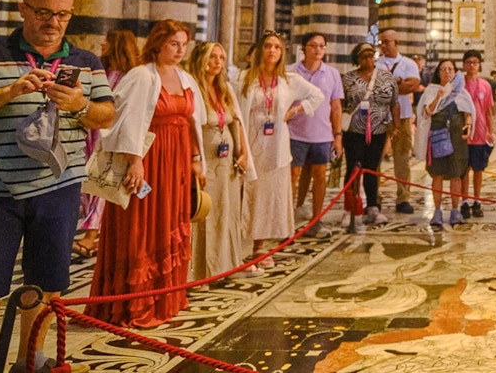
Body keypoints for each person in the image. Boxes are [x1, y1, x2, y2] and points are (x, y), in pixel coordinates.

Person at [0, 0, 115, 373]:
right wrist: (8, 92)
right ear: (23, 9)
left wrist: (79, 104)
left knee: (47, 277)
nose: (53, 22)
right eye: (43, 12)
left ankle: (31, 357)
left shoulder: (86, 61)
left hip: (59, 187)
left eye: (62, 14)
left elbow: (106, 115)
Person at [89, 20, 206, 327]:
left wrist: (196, 159)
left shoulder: (184, 77)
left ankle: (167, 297)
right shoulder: (141, 75)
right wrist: (135, 160)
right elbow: (126, 120)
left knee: (170, 220)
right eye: (173, 44)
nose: (180, 50)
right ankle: (135, 304)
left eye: (183, 44)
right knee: (142, 225)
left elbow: (193, 122)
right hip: (149, 159)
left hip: (177, 161)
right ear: (158, 44)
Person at [236, 32, 324, 263]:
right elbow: (234, 108)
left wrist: (293, 111)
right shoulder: (244, 78)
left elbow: (317, 95)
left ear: (282, 52)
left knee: (266, 197)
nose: (272, 51)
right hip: (249, 144)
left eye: (277, 47)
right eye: (267, 46)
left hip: (275, 147)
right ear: (260, 50)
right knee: (245, 194)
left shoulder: (289, 80)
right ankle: (235, 245)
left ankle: (259, 247)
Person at [186, 41, 258, 280]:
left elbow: (236, 121)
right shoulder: (193, 87)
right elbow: (190, 126)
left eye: (220, 57)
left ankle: (228, 264)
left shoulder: (224, 87)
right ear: (200, 59)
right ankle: (202, 271)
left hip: (226, 161)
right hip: (205, 156)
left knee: (227, 211)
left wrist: (244, 153)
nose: (217, 62)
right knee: (205, 211)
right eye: (212, 57)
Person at [73, 29, 139, 260]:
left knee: (104, 183)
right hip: (90, 135)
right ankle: (93, 233)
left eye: (108, 41)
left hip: (111, 138)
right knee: (89, 180)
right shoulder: (101, 71)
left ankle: (91, 237)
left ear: (117, 45)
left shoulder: (128, 77)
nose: (102, 44)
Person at [288, 32, 343, 238]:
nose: (318, 49)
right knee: (292, 176)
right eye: (313, 45)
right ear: (304, 48)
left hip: (322, 134)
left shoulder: (332, 74)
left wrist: (337, 135)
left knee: (320, 176)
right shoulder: (291, 72)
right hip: (295, 132)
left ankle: (316, 219)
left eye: (322, 45)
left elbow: (335, 106)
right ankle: (288, 221)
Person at [341, 42, 399, 226]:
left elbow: (394, 102)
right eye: (364, 56)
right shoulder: (349, 78)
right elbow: (340, 102)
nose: (368, 59)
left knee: (372, 168)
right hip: (354, 131)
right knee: (353, 168)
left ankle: (373, 207)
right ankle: (350, 208)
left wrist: (395, 125)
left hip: (378, 130)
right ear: (357, 59)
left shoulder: (385, 77)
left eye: (371, 55)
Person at [419, 59, 474, 227]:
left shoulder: (460, 92)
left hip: (456, 138)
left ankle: (455, 211)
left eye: (450, 69)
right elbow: (426, 112)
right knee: (438, 174)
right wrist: (439, 97)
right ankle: (437, 211)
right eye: (443, 69)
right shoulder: (431, 90)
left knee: (456, 174)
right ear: (438, 72)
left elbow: (468, 111)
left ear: (455, 72)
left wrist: (468, 124)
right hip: (437, 137)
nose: (447, 72)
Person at [376, 29, 421, 214]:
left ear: (396, 43)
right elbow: (375, 88)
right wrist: (398, 84)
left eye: (387, 42)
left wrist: (391, 85)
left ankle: (403, 198)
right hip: (380, 115)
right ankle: (374, 199)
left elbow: (413, 85)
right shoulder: (376, 64)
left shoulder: (408, 63)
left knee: (402, 158)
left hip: (402, 116)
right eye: (382, 42)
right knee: (376, 158)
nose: (384, 45)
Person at [461, 50, 496, 219]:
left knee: (478, 169)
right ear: (464, 65)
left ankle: (477, 200)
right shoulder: (459, 84)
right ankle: (464, 202)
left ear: (480, 64)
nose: (472, 65)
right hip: (464, 133)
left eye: (475, 62)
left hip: (480, 132)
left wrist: (491, 130)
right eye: (469, 62)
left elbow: (489, 111)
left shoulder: (486, 85)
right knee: (463, 170)